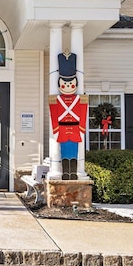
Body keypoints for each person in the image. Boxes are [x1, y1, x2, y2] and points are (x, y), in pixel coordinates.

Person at [49, 51, 88, 179]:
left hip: (75, 129)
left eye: (70, 84)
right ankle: (66, 173)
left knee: (74, 153)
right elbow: (54, 115)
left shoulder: (80, 100)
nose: (67, 86)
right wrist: (56, 129)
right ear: (60, 84)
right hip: (63, 129)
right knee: (64, 153)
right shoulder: (56, 100)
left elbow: (83, 113)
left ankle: (74, 173)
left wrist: (81, 128)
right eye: (64, 84)